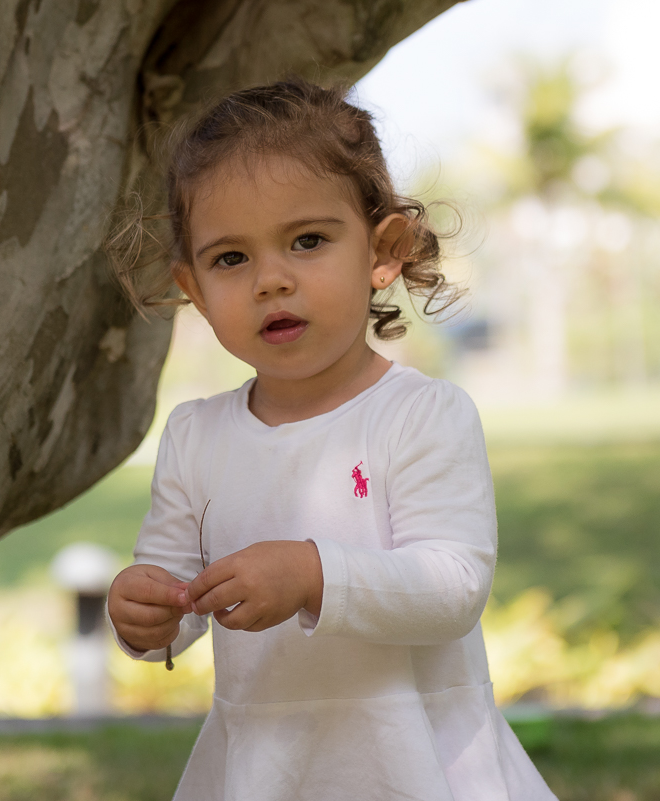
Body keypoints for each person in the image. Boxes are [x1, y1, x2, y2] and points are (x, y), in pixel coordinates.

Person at [104, 80, 556, 801]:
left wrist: (314, 573)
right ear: (190, 284)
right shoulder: (196, 436)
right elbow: (174, 597)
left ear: (384, 251)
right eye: (230, 259)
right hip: (264, 767)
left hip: (419, 762)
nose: (270, 281)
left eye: (307, 241)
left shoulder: (422, 415)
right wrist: (144, 613)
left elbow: (453, 585)